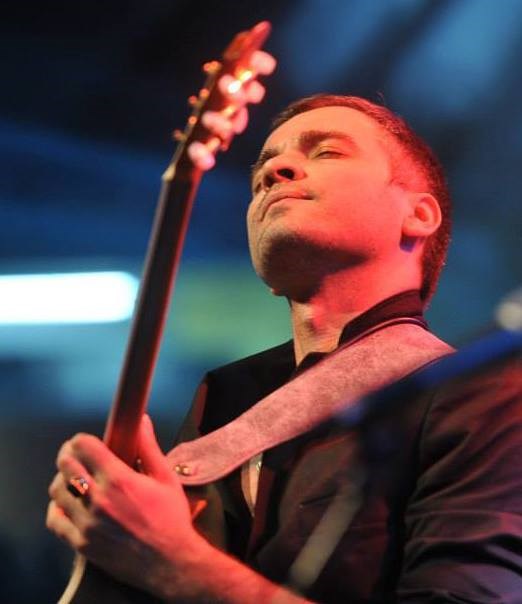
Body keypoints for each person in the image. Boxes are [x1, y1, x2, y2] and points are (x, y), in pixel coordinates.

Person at [47, 95, 522, 603]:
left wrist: (175, 564)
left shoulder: (486, 395)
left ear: (418, 214)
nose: (275, 171)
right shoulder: (225, 399)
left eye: (327, 152)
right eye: (261, 173)